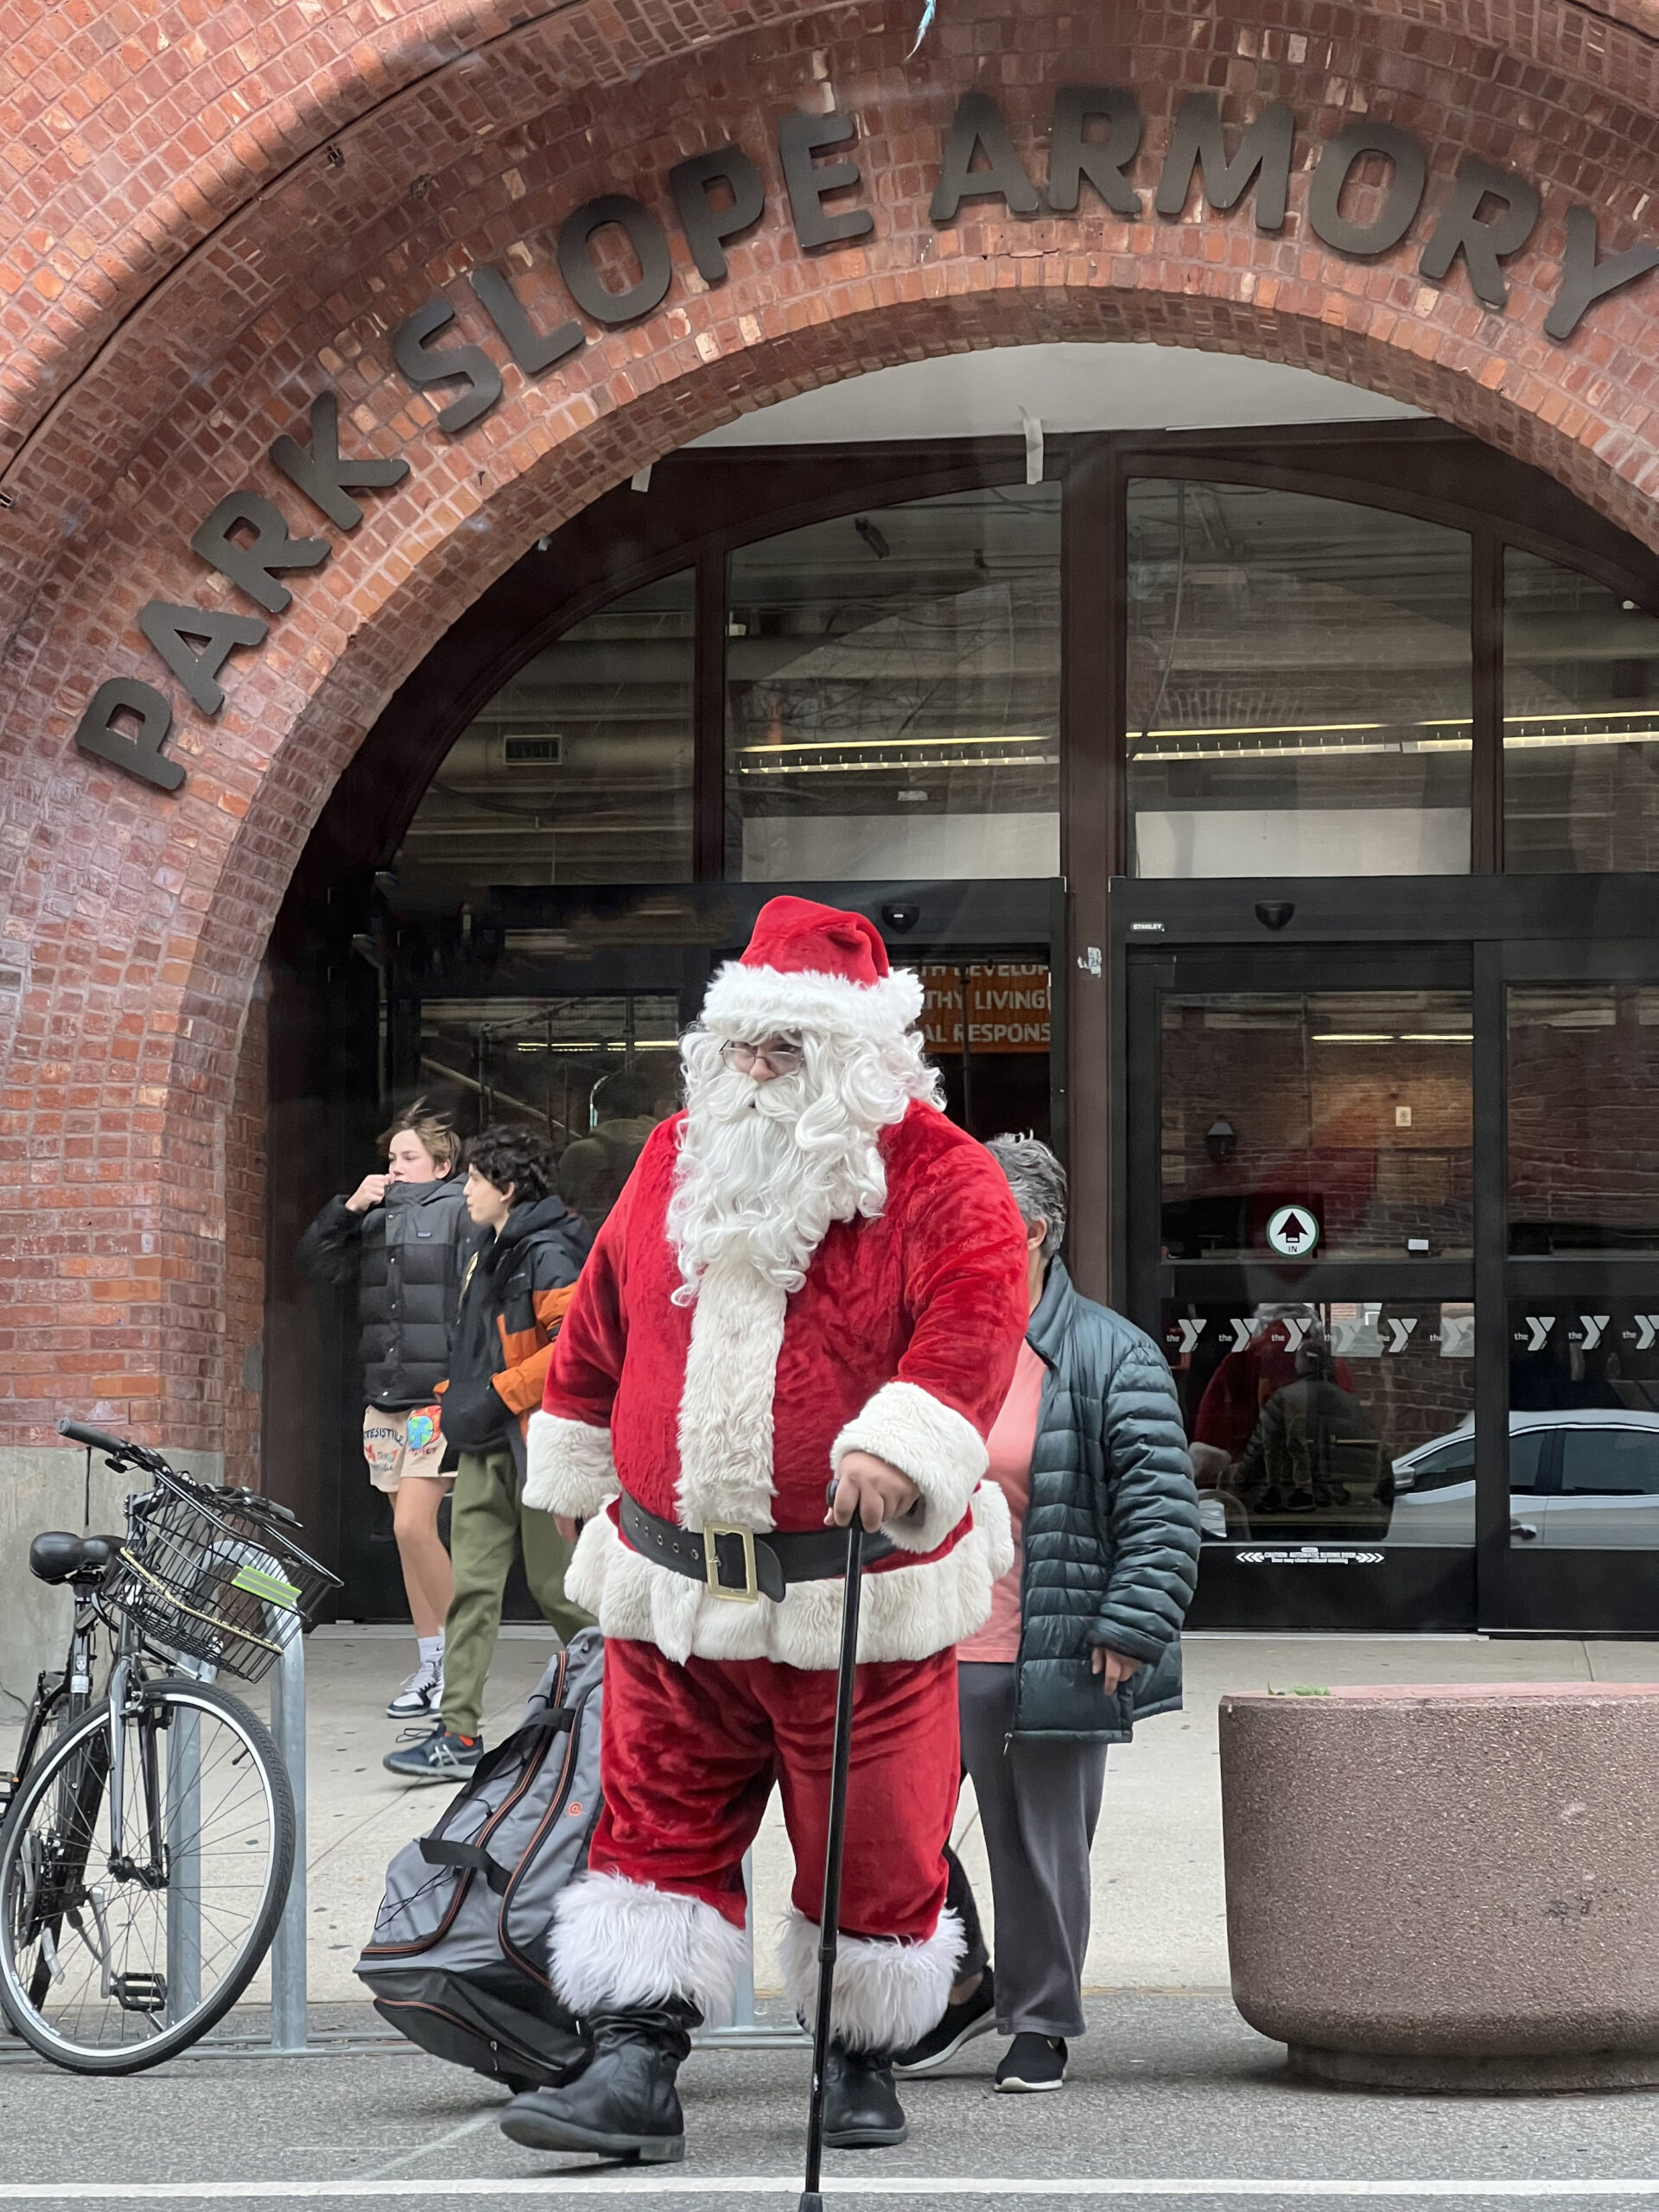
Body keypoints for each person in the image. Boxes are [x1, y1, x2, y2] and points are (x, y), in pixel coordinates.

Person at [499, 896, 1029, 2165]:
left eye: (782, 1049)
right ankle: (636, 2065)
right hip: (674, 1588)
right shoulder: (676, 1154)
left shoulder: (939, 1173)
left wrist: (896, 1447)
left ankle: (858, 2055)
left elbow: (976, 1317)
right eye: (740, 1044)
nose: (752, 1070)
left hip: (852, 1588)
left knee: (873, 1841)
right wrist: (577, 1452)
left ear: (855, 1051)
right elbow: (602, 1325)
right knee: (651, 1824)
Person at [893, 1135, 1201, 2094]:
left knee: (1039, 1844)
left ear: (1026, 1231)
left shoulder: (1110, 1353)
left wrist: (1129, 1625)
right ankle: (966, 1981)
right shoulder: (929, 1336)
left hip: (1045, 1638)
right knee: (887, 1825)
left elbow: (1162, 1508)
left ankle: (1039, 2018)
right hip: (920, 1631)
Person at [385, 1122, 595, 1782]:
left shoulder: (550, 1254)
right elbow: (483, 1344)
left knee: (556, 1590)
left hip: (534, 1444)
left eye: (475, 1178)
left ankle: (631, 1704)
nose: (466, 1189)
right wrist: (455, 1397)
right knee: (472, 1587)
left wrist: (497, 1394)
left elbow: (571, 1350)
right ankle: (458, 1733)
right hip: (483, 1440)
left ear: (504, 1188)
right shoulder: (489, 1246)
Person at [298, 1100, 471, 1719]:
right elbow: (316, 1264)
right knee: (406, 1541)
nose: (394, 1168)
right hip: (385, 1395)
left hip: (437, 1397)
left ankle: (463, 1662)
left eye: (408, 1157)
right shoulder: (371, 1219)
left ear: (442, 1164)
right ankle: (432, 1665)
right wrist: (347, 1209)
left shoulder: (461, 1211)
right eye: (391, 1158)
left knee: (411, 1528)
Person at [556, 1065, 670, 1235]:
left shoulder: (578, 1154)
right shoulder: (668, 1151)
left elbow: (560, 1209)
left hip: (587, 1247)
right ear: (652, 1107)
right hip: (646, 1245)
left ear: (605, 1110)